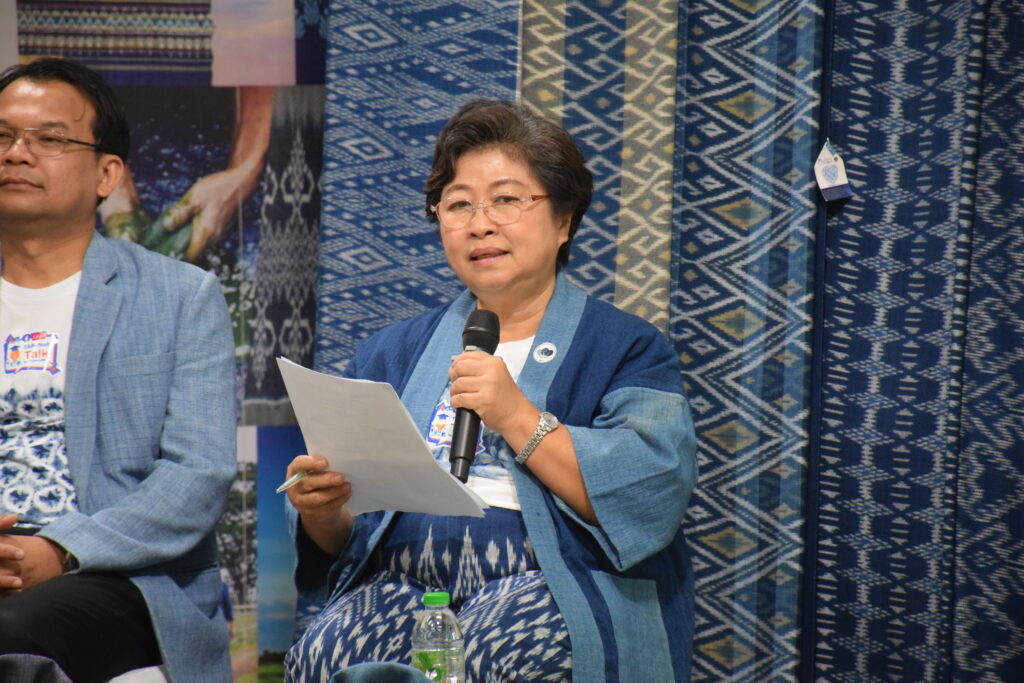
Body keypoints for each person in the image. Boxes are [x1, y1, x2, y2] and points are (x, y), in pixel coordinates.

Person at [283, 99, 697, 681]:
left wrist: (516, 415)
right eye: (458, 205)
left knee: (497, 650)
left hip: (554, 580)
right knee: (325, 654)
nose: (480, 224)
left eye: (506, 200)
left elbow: (651, 492)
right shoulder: (389, 352)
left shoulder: (625, 347)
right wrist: (322, 510)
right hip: (402, 580)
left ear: (563, 221)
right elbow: (346, 539)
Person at [0, 57, 236, 682]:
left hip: (117, 575)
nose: (17, 153)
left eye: (49, 139)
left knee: (12, 633)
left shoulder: (179, 296)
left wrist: (62, 548)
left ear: (107, 174)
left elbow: (197, 475)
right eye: (3, 136)